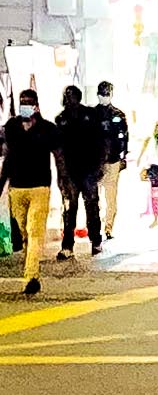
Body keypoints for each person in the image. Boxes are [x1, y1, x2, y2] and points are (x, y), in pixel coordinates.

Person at [3, 91, 61, 295]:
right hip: (17, 188)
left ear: (36, 105)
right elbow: (8, 156)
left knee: (35, 231)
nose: (24, 106)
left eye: (28, 103)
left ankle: (31, 276)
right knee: (24, 233)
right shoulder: (11, 127)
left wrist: (63, 182)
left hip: (40, 188)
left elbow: (58, 156)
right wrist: (2, 183)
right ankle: (31, 270)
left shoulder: (48, 129)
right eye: (22, 103)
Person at [53, 85, 105, 259]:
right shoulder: (61, 119)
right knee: (69, 209)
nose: (69, 100)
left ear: (78, 97)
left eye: (72, 96)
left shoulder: (90, 116)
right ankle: (67, 245)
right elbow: (58, 149)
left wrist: (99, 166)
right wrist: (61, 175)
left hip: (89, 170)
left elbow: (101, 142)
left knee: (92, 206)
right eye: (67, 96)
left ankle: (96, 241)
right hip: (70, 172)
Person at [95, 82, 129, 242]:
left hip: (113, 161)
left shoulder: (118, 115)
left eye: (107, 93)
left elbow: (124, 138)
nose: (104, 96)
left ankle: (108, 227)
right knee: (95, 197)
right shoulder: (92, 114)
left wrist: (123, 158)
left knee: (111, 196)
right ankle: (96, 226)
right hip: (95, 162)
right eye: (103, 93)